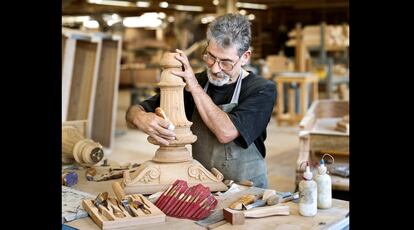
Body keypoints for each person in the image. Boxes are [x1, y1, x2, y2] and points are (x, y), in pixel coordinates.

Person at [125, 13, 277, 188]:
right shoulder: (196, 81)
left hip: (248, 189)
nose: (215, 68)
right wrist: (140, 118)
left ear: (245, 57)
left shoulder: (262, 89)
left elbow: (226, 132)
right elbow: (136, 110)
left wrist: (194, 87)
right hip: (204, 186)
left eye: (226, 62)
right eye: (211, 56)